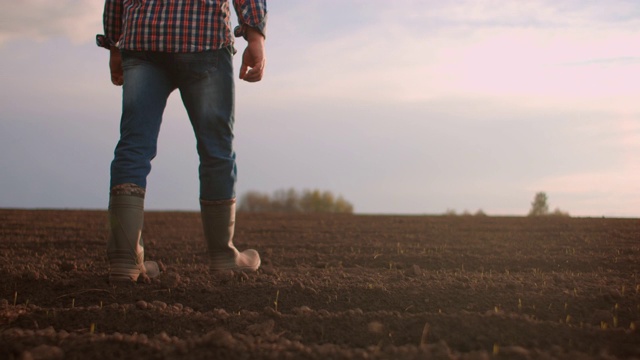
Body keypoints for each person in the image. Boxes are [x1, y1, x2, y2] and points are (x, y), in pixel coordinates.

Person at [97, 0, 267, 284]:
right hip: (204, 35)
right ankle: (223, 257)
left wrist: (115, 45)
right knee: (216, 150)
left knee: (133, 148)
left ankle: (124, 260)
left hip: (143, 37)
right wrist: (255, 35)